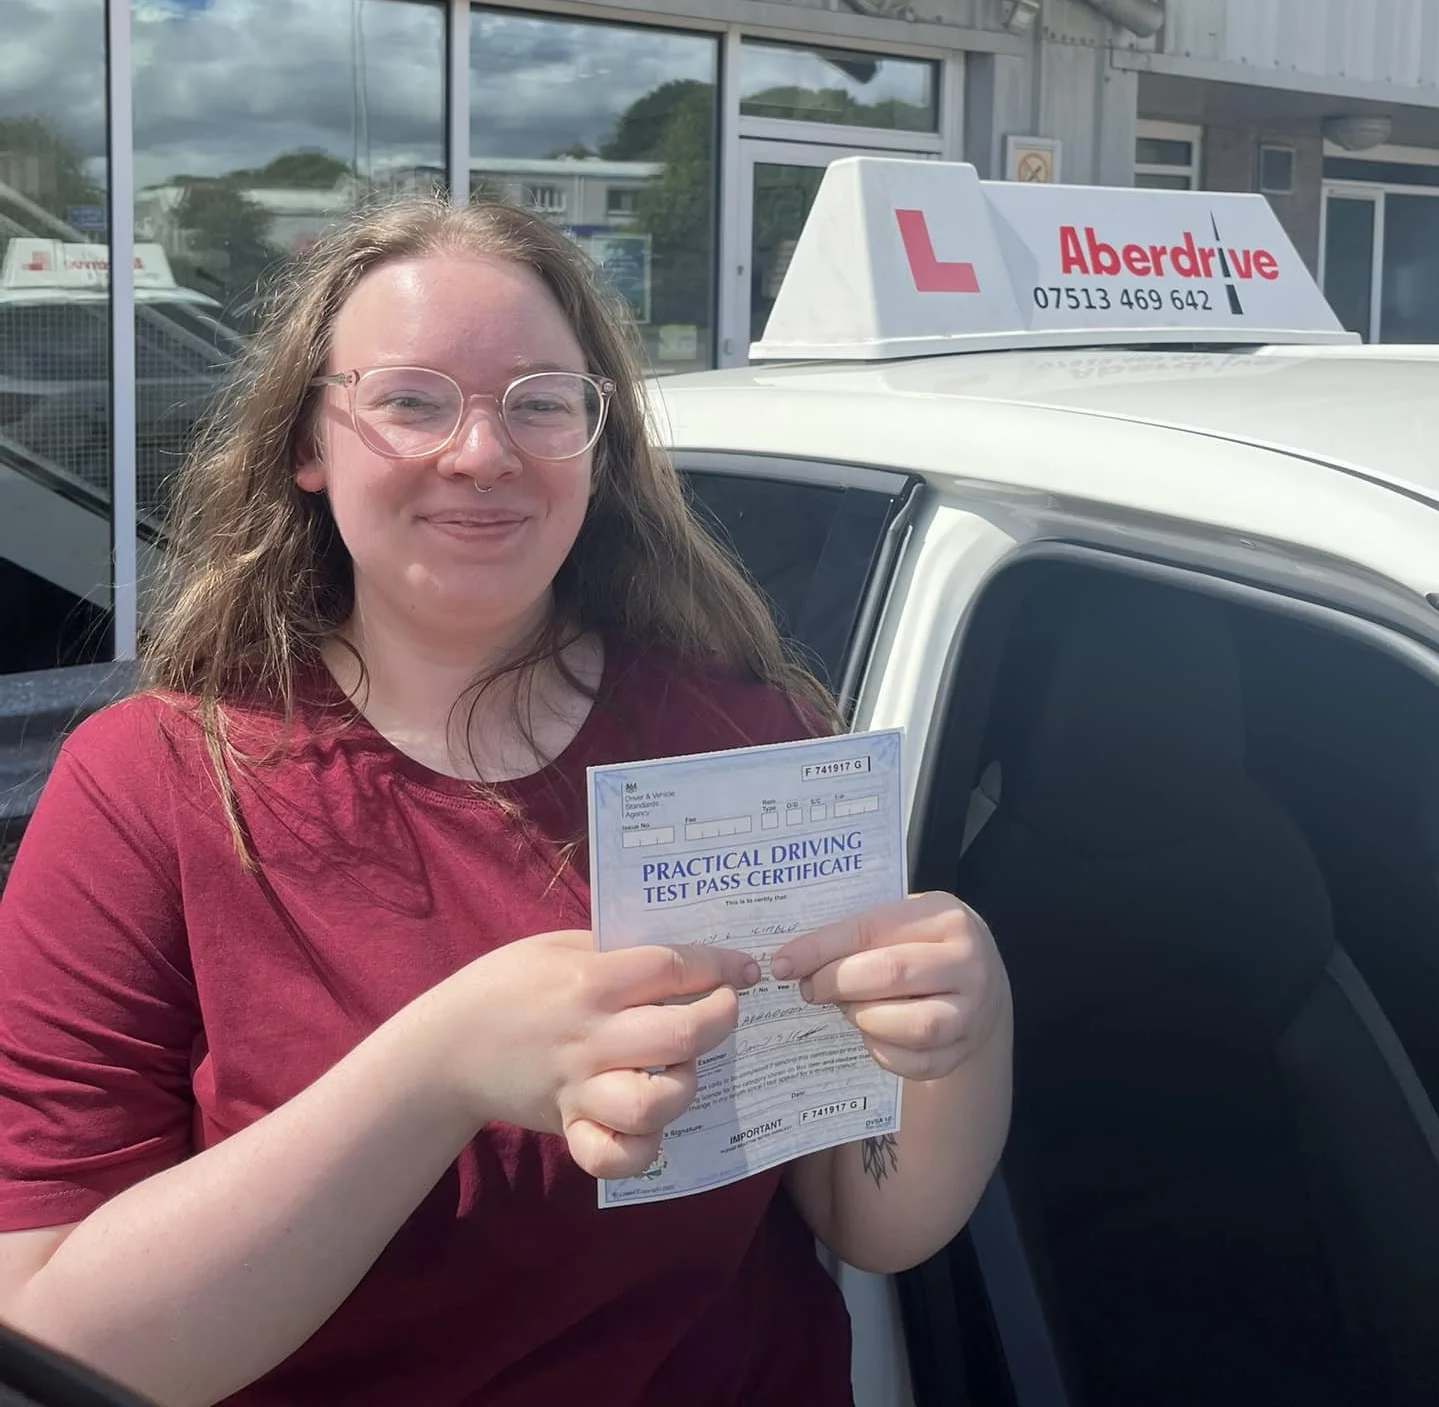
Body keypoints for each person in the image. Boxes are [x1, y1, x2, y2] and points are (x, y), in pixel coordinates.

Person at [0, 199, 1012, 1407]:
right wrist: (437, 1071)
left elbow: (866, 1213)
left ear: (595, 443)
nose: (482, 451)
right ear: (307, 445)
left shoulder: (745, 735)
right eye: (412, 399)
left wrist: (969, 1028)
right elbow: (55, 1344)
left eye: (539, 400)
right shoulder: (149, 784)